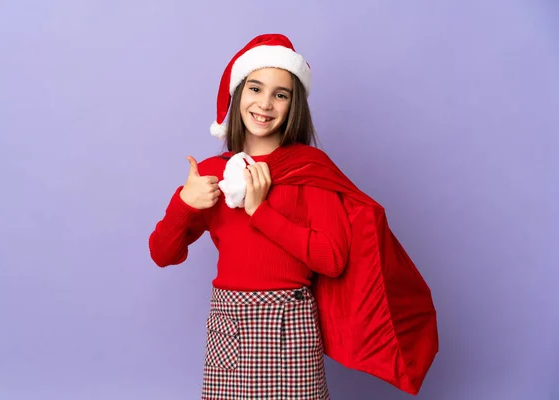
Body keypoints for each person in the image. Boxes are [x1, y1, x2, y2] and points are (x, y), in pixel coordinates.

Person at [149, 34, 438, 400]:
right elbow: (162, 254)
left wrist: (260, 211)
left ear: (293, 105)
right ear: (238, 94)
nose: (265, 104)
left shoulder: (310, 169)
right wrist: (184, 203)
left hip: (292, 327)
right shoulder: (212, 174)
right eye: (255, 88)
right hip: (230, 326)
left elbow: (332, 260)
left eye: (280, 94)